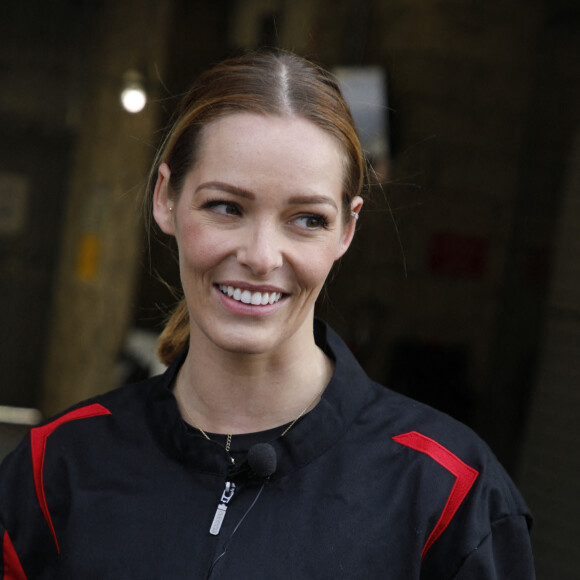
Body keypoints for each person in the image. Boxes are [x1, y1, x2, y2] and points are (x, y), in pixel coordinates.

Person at [0, 50, 534, 579]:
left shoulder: (449, 493)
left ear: (347, 230)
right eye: (226, 207)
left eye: (306, 219)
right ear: (166, 198)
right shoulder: (57, 467)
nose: (260, 256)